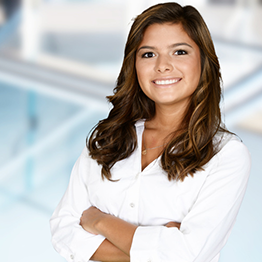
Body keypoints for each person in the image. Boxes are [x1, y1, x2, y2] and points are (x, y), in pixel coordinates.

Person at [50, 2, 251, 262]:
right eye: (148, 54)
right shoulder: (108, 139)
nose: (162, 65)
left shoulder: (226, 155)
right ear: (133, 64)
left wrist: (99, 221)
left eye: (179, 52)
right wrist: (156, 247)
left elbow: (186, 255)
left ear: (204, 61)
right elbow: (62, 230)